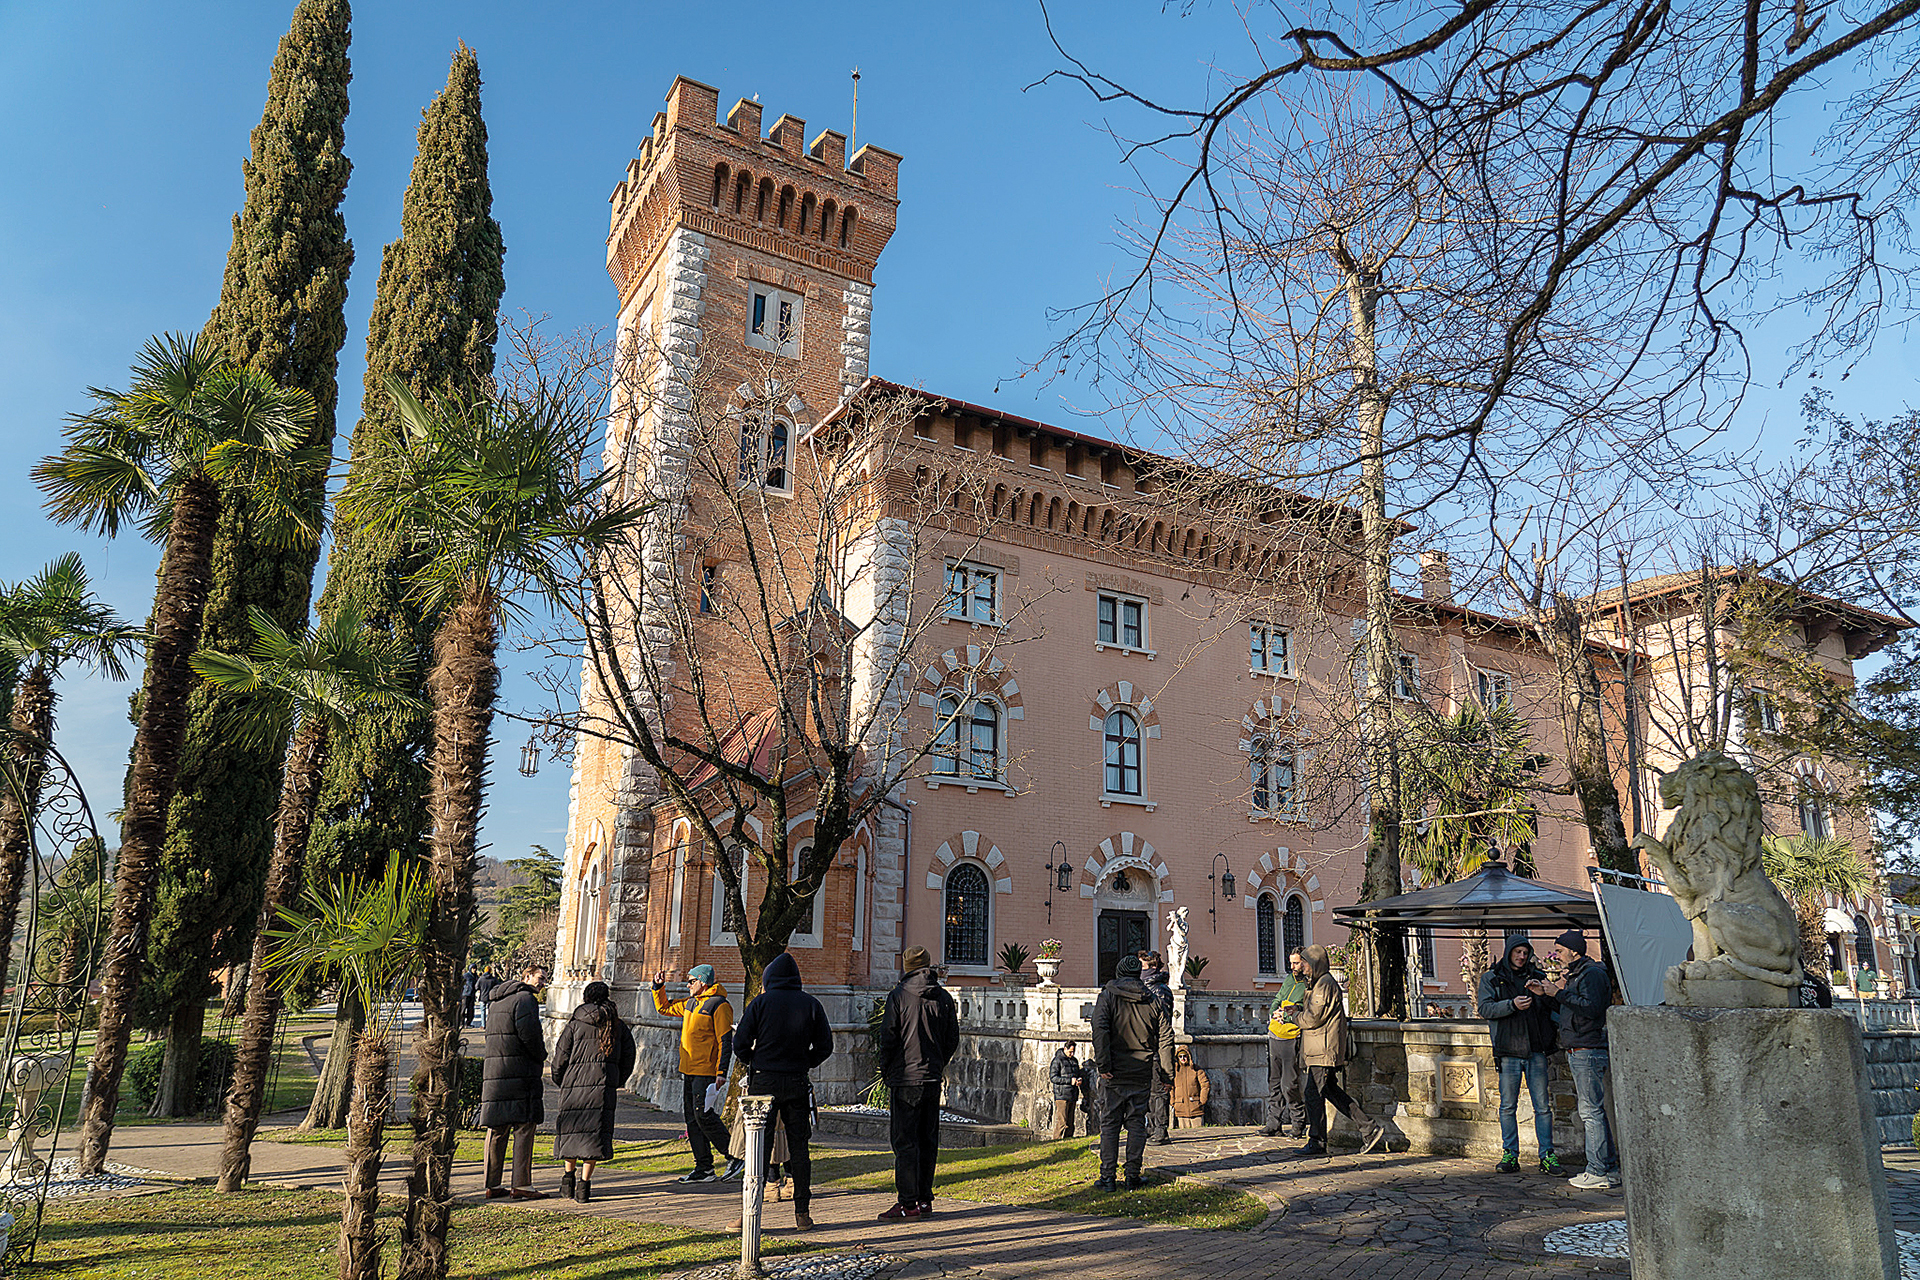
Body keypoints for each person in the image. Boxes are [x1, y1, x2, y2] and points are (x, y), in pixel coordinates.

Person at [732, 951, 834, 1232]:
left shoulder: (760, 1003)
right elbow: (825, 1046)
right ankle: (802, 1212)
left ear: (769, 979)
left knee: (758, 1149)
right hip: (796, 1082)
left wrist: (754, 1060)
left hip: (764, 1081)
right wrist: (804, 1062)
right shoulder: (811, 1004)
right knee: (799, 1149)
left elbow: (740, 1043)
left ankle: (749, 1214)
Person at [877, 945, 961, 1221]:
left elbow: (889, 1037)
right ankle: (924, 1198)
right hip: (931, 1077)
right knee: (928, 1140)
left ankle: (908, 1202)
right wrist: (938, 1062)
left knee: (905, 1142)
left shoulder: (899, 996)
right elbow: (952, 1039)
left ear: (907, 966)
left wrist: (885, 1069)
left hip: (905, 1078)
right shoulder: (943, 998)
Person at [1537, 930, 1619, 1191]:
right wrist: (1546, 994)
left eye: (1560, 951)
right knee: (1595, 1112)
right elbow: (1570, 1012)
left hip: (1588, 1049)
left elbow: (1592, 1007)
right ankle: (1609, 1168)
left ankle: (1597, 1170)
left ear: (1574, 951)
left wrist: (1558, 993)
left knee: (1591, 1112)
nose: (1556, 956)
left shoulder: (1591, 974)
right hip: (1581, 1048)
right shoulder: (1579, 974)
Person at [1477, 934, 1561, 1174]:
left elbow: (1554, 1008)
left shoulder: (1539, 977)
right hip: (1508, 1050)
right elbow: (1484, 1008)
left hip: (1536, 1051)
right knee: (1507, 1106)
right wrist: (1512, 1005)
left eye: (1525, 953)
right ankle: (1510, 1155)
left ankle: (1547, 1156)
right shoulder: (1492, 978)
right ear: (1509, 952)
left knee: (1543, 1107)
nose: (1522, 957)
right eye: (1518, 952)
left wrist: (1543, 994)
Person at [1091, 954, 1174, 1191]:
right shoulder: (1153, 1000)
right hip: (1141, 1069)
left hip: (1114, 1071)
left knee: (1110, 1123)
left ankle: (1107, 1177)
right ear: (1138, 973)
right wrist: (1168, 1074)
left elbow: (1100, 1029)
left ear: (1119, 973)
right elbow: (1167, 1038)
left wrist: (1103, 1064)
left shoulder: (1107, 996)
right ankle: (1132, 1175)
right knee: (1137, 1122)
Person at [652, 963, 741, 1184]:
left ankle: (734, 1156)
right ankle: (704, 1168)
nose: (688, 985)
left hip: (706, 1070)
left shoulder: (719, 1005)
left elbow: (724, 1040)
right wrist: (658, 987)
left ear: (703, 982)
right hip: (688, 1069)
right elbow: (664, 1008)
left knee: (704, 1115)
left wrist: (721, 1071)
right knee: (692, 1119)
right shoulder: (691, 1002)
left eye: (691, 981)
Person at [1294, 944, 1386, 1156]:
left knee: (1313, 1093)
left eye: (1305, 962)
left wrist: (1294, 1017)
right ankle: (1368, 1128)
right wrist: (1298, 1009)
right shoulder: (1318, 983)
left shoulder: (1324, 984)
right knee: (1330, 1091)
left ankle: (1317, 1140)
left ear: (1315, 963)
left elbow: (1313, 1018)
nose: (1303, 967)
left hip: (1323, 1049)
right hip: (1319, 1048)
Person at [551, 980, 637, 1203]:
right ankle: (584, 1186)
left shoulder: (575, 1023)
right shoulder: (617, 1024)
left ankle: (567, 1180)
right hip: (602, 1086)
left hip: (573, 1084)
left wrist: (561, 1080)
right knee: (594, 1136)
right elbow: (629, 1056)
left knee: (571, 1133)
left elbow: (560, 1056)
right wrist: (616, 1080)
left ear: (586, 997)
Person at [477, 963, 550, 1199]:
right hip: (520, 1071)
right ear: (526, 976)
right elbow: (530, 1035)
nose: (543, 982)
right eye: (540, 977)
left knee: (497, 1128)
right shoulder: (526, 1000)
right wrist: (542, 1055)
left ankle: (492, 1183)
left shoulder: (496, 1001)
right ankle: (522, 1184)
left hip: (496, 1071)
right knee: (524, 1126)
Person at [1261, 947, 1309, 1139]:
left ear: (1305, 962)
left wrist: (1286, 1018)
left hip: (1292, 1038)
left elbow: (1305, 1011)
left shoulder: (1308, 985)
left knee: (1290, 1085)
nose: (1293, 967)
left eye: (1296, 963)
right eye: (1291, 963)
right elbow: (1278, 999)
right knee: (1273, 1083)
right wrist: (1274, 1012)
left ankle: (1298, 1124)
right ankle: (1274, 1123)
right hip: (1274, 1035)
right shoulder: (1289, 980)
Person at [1140, 951, 1175, 1146]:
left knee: (1158, 1091)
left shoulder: (1160, 990)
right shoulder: (1143, 987)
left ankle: (1160, 1131)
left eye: (1143, 966)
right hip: (1143, 1048)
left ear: (1152, 967)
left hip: (1155, 1048)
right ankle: (1150, 1127)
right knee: (1146, 1092)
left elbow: (1162, 1027)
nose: (1140, 970)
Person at [1049, 1042, 1083, 1140]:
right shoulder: (1057, 1061)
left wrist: (1078, 1080)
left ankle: (1068, 1139)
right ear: (1065, 1049)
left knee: (1070, 1122)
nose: (1072, 1054)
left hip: (1072, 1093)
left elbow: (1077, 1074)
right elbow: (1053, 1077)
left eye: (1073, 1052)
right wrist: (1069, 1081)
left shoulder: (1074, 1061)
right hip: (1061, 1095)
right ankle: (1056, 1140)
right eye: (1070, 1051)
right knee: (1062, 1122)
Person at [1170, 1046, 1211, 1129]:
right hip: (1180, 1108)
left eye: (1184, 1056)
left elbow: (1205, 1085)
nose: (1183, 1058)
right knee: (1184, 1134)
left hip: (1195, 1108)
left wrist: (1202, 1100)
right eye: (1180, 1056)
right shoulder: (1174, 1071)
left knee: (1199, 1133)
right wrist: (1173, 1102)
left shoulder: (1196, 1070)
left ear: (1188, 1056)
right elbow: (1171, 1087)